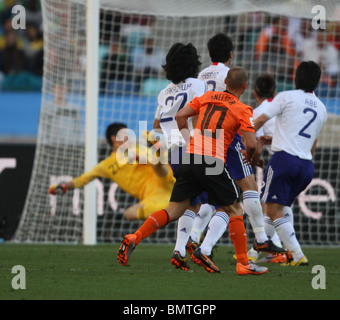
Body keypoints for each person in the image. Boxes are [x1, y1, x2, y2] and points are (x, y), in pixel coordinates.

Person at [117, 67, 269, 276]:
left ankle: (135, 237)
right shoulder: (243, 109)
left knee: (173, 211)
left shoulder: (207, 96)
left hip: (189, 158)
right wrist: (250, 158)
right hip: (212, 161)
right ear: (245, 86)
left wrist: (189, 137)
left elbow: (181, 115)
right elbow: (250, 143)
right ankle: (243, 263)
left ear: (225, 81)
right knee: (234, 208)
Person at [191, 34, 286, 267]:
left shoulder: (200, 76)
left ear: (210, 53)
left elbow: (196, 109)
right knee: (247, 189)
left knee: (217, 199)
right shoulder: (231, 75)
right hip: (228, 139)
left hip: (202, 138)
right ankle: (261, 238)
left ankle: (195, 240)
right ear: (231, 54)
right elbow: (235, 111)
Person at [254, 61, 327, 266]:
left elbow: (259, 121)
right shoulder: (321, 108)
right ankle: (255, 251)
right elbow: (313, 142)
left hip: (283, 160)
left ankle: (296, 254)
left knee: (272, 209)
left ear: (296, 77)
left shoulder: (286, 96)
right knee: (280, 207)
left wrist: (245, 133)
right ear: (317, 82)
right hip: (306, 166)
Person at [153, 42, 212, 271]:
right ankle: (199, 248)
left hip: (174, 154)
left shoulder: (163, 92)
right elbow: (200, 116)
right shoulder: (199, 85)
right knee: (224, 200)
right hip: (193, 148)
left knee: (193, 204)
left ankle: (180, 250)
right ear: (193, 63)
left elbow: (156, 127)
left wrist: (161, 147)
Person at [49, 123, 176, 221]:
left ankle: (158, 149)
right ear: (114, 138)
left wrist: (138, 158)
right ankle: (173, 212)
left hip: (167, 181)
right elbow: (82, 179)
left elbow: (154, 162)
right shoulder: (106, 165)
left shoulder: (137, 149)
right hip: (153, 197)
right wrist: (64, 186)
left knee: (156, 163)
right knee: (129, 213)